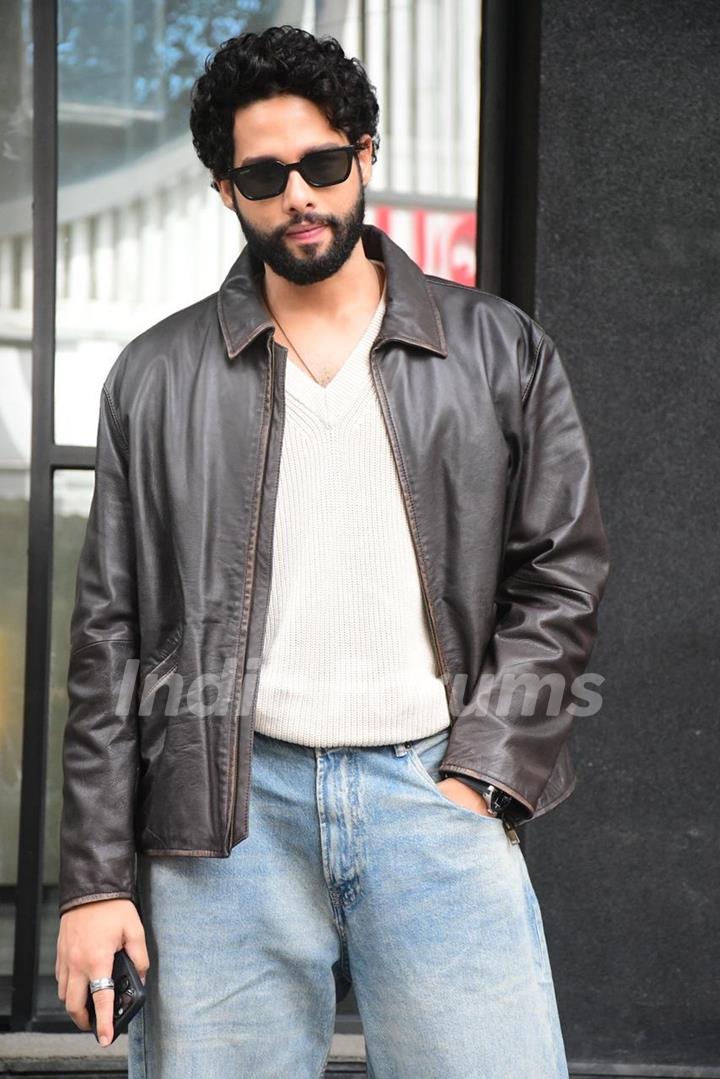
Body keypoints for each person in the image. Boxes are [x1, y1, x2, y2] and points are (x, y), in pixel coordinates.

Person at [55, 23, 610, 1079]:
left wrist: (482, 778)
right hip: (224, 824)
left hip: (434, 795)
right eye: (264, 174)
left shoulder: (499, 349)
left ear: (364, 153)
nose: (298, 194)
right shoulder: (154, 376)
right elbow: (108, 635)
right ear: (228, 191)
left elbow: (563, 571)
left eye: (320, 162)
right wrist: (91, 879)